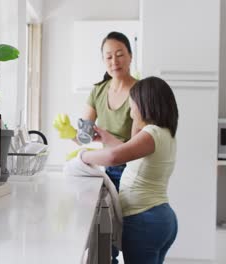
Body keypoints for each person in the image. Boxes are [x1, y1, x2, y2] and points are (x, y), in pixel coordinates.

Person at [80, 76, 179, 264]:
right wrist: (105, 138)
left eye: (132, 106)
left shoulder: (151, 133)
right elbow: (129, 152)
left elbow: (114, 157)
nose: (132, 113)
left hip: (144, 219)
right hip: (160, 218)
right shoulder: (164, 133)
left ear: (145, 105)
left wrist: (82, 156)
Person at [53, 31, 138, 192]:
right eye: (108, 57)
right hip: (108, 167)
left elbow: (137, 150)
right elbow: (83, 138)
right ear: (103, 60)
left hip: (133, 172)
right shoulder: (98, 91)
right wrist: (70, 132)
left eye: (119, 54)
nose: (114, 61)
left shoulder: (141, 92)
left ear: (130, 56)